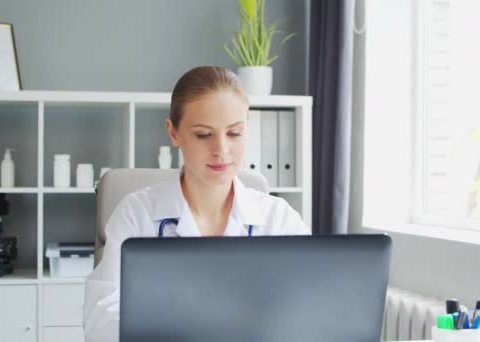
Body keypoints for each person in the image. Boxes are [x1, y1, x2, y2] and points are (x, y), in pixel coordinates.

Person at [83, 65, 310, 342]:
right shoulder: (136, 214)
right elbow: (101, 319)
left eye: (235, 133)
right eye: (204, 135)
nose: (222, 150)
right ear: (174, 133)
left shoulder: (279, 220)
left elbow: (308, 312)